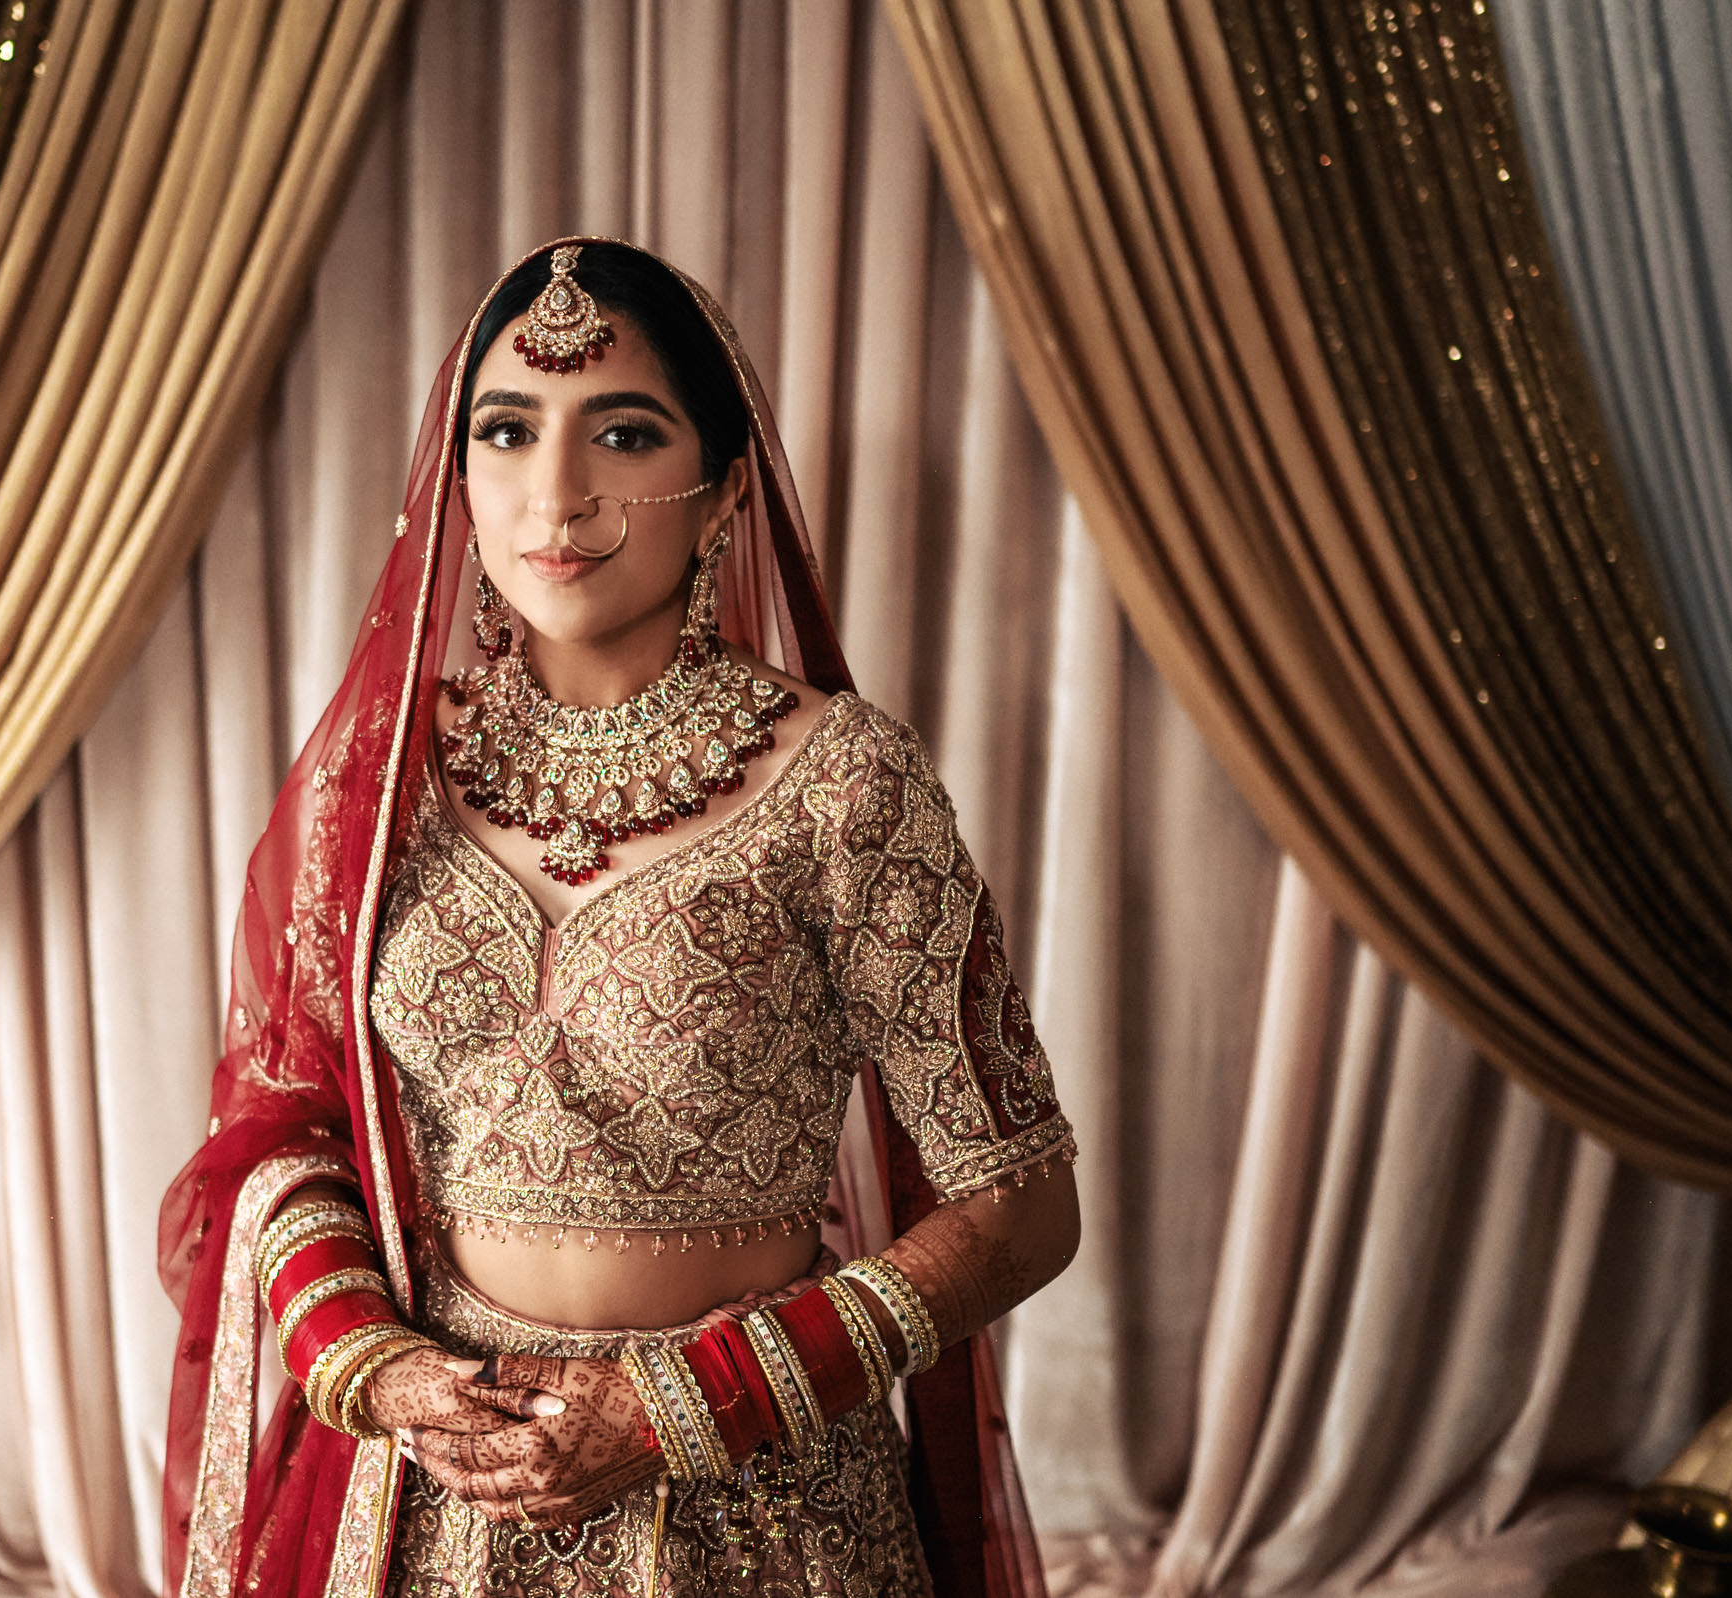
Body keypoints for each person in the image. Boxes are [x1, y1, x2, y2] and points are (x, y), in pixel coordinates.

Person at [160, 237, 1079, 1598]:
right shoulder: (380, 783)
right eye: (509, 431)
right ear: (459, 481)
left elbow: (1017, 1204)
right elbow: (283, 1130)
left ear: (724, 495)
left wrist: (685, 1403)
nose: (558, 493)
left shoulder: (842, 783)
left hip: (757, 1509)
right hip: (431, 1503)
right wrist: (380, 1364)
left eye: (625, 431)